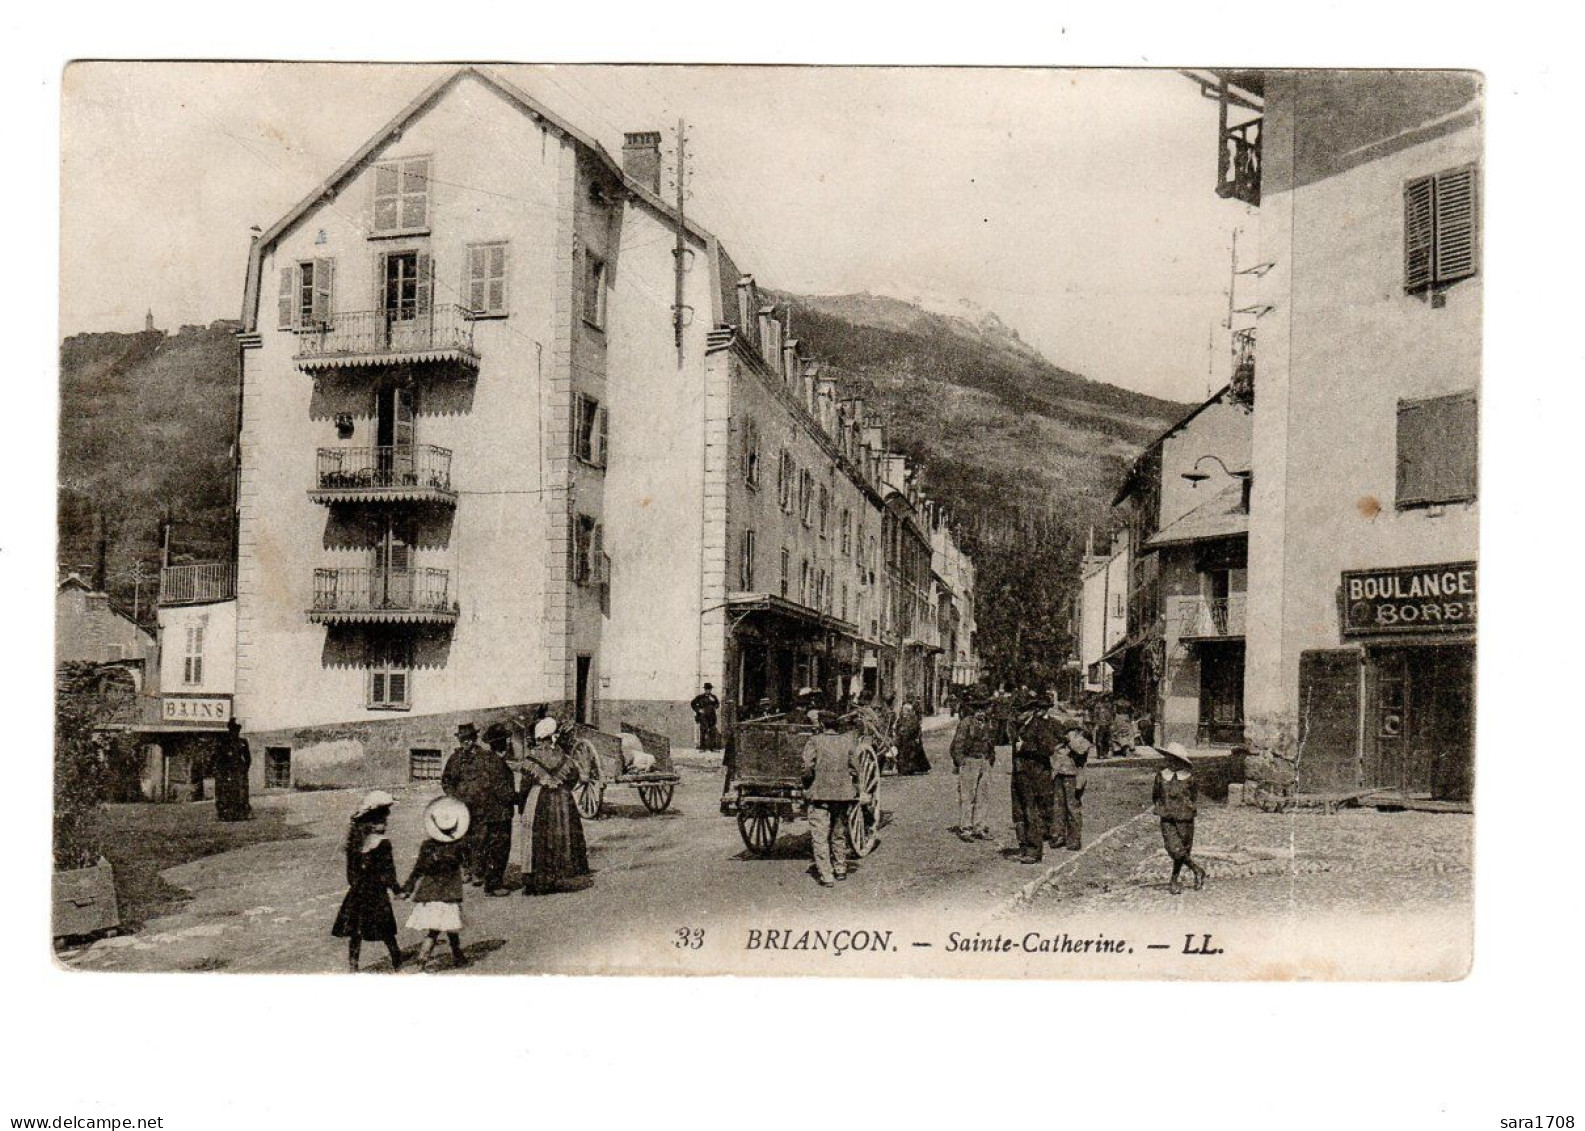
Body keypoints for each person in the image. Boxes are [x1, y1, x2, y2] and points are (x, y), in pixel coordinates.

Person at [516, 717, 592, 895]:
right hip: (562, 802)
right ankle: (555, 878)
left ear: (539, 738)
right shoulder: (564, 757)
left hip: (538, 800)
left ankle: (536, 881)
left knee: (536, 839)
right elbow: (573, 780)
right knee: (559, 837)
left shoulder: (532, 758)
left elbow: (526, 785)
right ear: (552, 737)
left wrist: (522, 808)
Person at [331, 790, 403, 972]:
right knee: (386, 929)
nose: (385, 824)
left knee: (355, 930)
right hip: (377, 892)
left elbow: (350, 874)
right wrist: (396, 889)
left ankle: (353, 966)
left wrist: (357, 885)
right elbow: (388, 872)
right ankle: (397, 961)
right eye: (381, 820)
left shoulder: (355, 843)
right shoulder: (383, 843)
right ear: (371, 823)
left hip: (357, 892)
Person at [402, 796, 470, 970]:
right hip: (449, 893)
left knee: (443, 926)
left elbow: (418, 869)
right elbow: (468, 864)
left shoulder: (427, 846)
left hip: (429, 891)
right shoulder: (459, 846)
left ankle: (456, 955)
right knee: (445, 926)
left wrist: (408, 887)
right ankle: (424, 957)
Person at [459, 723, 520, 896]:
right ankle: (494, 886)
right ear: (503, 743)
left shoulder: (485, 759)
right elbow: (504, 793)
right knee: (499, 849)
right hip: (499, 813)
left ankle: (490, 880)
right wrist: (522, 798)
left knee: (490, 846)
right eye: (507, 741)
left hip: (487, 811)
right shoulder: (497, 763)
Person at [801, 711, 860, 887]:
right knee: (839, 832)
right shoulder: (847, 741)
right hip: (842, 795)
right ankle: (840, 868)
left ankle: (827, 876)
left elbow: (806, 767)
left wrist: (807, 783)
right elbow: (855, 769)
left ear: (822, 725)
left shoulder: (815, 741)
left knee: (819, 837)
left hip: (819, 795)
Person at [1009, 695, 1058, 863]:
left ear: (1030, 710)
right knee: (1019, 812)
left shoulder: (1039, 726)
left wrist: (1026, 747)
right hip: (1020, 773)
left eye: (1021, 711)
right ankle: (1023, 847)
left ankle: (1034, 850)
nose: (1018, 714)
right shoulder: (1021, 726)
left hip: (1034, 776)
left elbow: (1048, 748)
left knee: (1032, 812)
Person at [1153, 742, 1207, 894]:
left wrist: (1186, 808)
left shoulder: (1189, 777)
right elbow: (1155, 795)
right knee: (1173, 848)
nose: (1170, 761)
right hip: (1167, 817)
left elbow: (1193, 796)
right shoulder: (1161, 776)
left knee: (1182, 850)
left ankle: (1174, 880)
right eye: (1169, 758)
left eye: (1174, 759)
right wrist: (1164, 807)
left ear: (1180, 761)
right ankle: (1197, 869)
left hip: (1185, 818)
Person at [441, 721, 487, 882]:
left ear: (474, 738)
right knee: (461, 838)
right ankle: (466, 869)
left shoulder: (483, 757)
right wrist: (453, 795)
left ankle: (477, 872)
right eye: (462, 739)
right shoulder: (455, 758)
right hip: (460, 806)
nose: (465, 742)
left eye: (468, 738)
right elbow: (446, 780)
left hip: (479, 806)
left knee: (479, 839)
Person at [948, 696, 997, 842]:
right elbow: (957, 745)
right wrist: (961, 762)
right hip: (970, 761)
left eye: (983, 709)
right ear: (974, 710)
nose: (981, 713)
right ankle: (966, 829)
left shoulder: (989, 724)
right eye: (978, 709)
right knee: (967, 796)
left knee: (983, 796)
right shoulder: (966, 724)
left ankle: (979, 827)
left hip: (984, 761)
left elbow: (991, 743)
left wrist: (990, 759)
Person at [1049, 711, 1093, 851]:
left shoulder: (1083, 742)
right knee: (1058, 807)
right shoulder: (1061, 745)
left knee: (1072, 808)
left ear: (1077, 731)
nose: (1068, 734)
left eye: (1071, 731)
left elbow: (1080, 751)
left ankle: (1074, 839)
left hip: (1074, 777)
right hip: (1060, 776)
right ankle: (1059, 835)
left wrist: (1069, 742)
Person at [214, 719, 253, 821]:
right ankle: (225, 814)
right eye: (233, 730)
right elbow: (218, 758)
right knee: (226, 792)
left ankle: (241, 813)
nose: (235, 733)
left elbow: (248, 758)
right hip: (227, 770)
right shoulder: (223, 743)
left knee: (240, 792)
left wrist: (244, 769)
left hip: (239, 770)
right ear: (229, 730)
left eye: (236, 731)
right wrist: (221, 771)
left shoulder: (243, 742)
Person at [894, 698, 930, 775]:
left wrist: (915, 736)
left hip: (911, 740)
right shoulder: (901, 719)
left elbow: (916, 728)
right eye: (904, 710)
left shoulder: (913, 719)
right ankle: (903, 768)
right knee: (902, 754)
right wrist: (898, 733)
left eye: (906, 711)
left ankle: (909, 768)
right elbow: (897, 727)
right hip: (903, 740)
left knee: (911, 755)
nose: (905, 712)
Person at [690, 683, 722, 751]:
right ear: (704, 689)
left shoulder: (713, 697)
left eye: (709, 689)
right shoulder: (700, 697)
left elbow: (717, 704)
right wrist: (698, 710)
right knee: (703, 731)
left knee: (712, 731)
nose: (708, 691)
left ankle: (712, 748)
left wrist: (715, 706)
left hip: (712, 716)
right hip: (703, 716)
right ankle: (702, 747)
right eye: (707, 689)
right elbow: (693, 703)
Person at [1092, 694, 1116, 762]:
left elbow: (1112, 714)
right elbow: (1095, 715)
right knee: (1099, 740)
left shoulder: (1109, 706)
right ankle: (1099, 754)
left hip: (1108, 724)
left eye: (1107, 698)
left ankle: (1105, 753)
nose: (1106, 699)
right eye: (1105, 698)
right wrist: (1096, 723)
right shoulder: (1098, 706)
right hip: (1100, 724)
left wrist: (1111, 722)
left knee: (1107, 739)